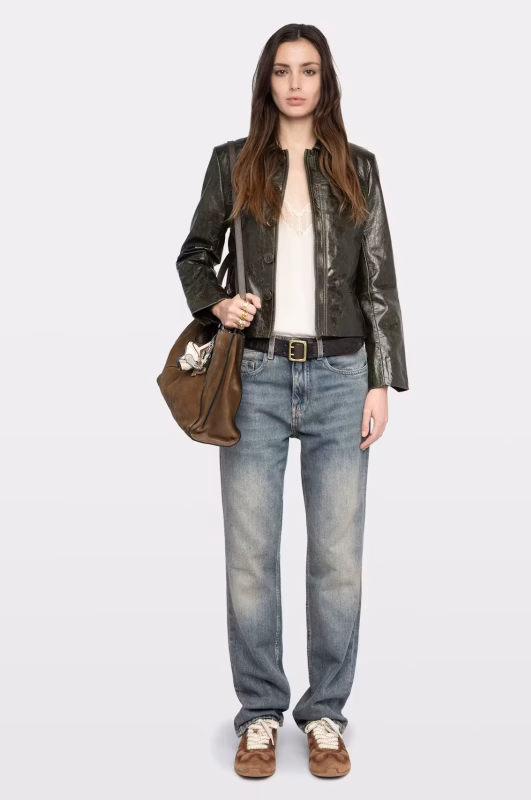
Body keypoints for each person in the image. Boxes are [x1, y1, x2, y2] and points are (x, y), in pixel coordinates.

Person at [175, 23, 409, 778]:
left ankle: (327, 714)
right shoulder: (233, 162)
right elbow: (194, 254)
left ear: (325, 80)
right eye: (282, 71)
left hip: (342, 378)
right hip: (258, 375)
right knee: (250, 558)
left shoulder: (358, 167)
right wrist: (218, 303)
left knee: (337, 561)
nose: (296, 84)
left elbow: (377, 281)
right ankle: (259, 716)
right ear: (266, 81)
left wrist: (381, 380)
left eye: (308, 70)